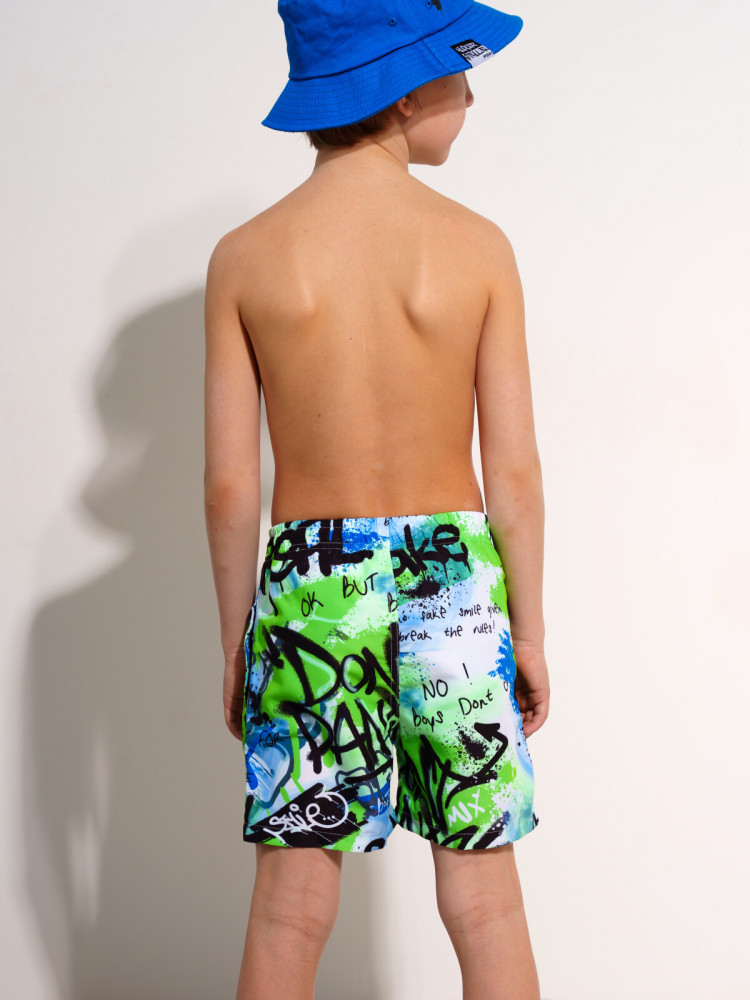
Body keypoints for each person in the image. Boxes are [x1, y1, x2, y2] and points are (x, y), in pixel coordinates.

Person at [203, 2, 550, 998]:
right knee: (485, 900)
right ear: (402, 92)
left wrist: (241, 640)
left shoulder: (247, 256)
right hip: (453, 586)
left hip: (311, 591)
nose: (470, 92)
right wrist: (528, 632)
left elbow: (230, 483)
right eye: (457, 68)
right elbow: (515, 477)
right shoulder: (477, 247)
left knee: (290, 906)